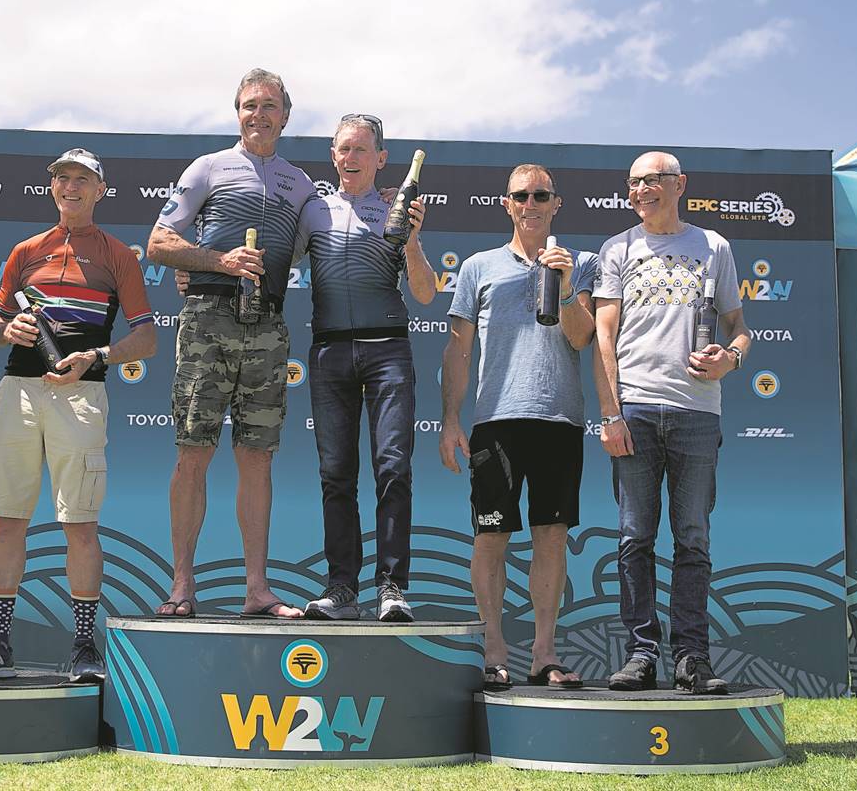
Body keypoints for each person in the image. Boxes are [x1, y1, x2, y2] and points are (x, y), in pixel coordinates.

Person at [0, 149, 156, 684]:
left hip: (82, 393)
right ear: (52, 188)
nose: (71, 187)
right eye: (62, 178)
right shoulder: (26, 251)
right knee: (7, 520)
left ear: (100, 190)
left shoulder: (118, 255)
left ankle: (84, 645)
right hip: (18, 391)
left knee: (80, 524)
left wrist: (99, 356)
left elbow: (147, 338)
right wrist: (9, 330)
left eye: (82, 179)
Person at [145, 68, 315, 618]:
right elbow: (158, 242)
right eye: (249, 105)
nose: (258, 114)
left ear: (285, 116)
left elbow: (329, 233)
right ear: (237, 112)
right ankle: (181, 586)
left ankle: (257, 591)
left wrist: (379, 203)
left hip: (267, 325)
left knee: (258, 459)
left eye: (268, 105)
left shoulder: (300, 184)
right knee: (193, 452)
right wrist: (217, 260)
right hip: (208, 320)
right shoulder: (208, 167)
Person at [593, 151, 752, 695]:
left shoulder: (714, 247)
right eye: (633, 182)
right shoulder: (617, 249)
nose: (640, 190)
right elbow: (604, 336)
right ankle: (641, 654)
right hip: (635, 409)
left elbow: (739, 326)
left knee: (693, 540)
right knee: (634, 538)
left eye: (651, 180)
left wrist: (731, 358)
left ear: (679, 184)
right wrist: (611, 414)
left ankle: (692, 658)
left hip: (697, 413)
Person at [439, 165, 597, 690]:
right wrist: (450, 419)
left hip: (560, 419)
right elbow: (459, 350)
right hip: (496, 421)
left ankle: (544, 655)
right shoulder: (477, 267)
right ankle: (494, 650)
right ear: (506, 203)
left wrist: (566, 285)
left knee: (551, 538)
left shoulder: (583, 263)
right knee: (491, 537)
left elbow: (582, 337)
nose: (531, 204)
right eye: (521, 195)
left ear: (557, 203)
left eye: (541, 195)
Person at [295, 115, 438, 623]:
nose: (351, 158)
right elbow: (273, 262)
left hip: (387, 351)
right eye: (343, 149)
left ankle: (392, 588)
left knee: (393, 468)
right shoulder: (313, 209)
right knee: (335, 475)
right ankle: (342, 590)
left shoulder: (397, 211)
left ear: (381, 158)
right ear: (332, 156)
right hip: (329, 351)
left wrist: (413, 241)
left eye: (361, 149)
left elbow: (426, 293)